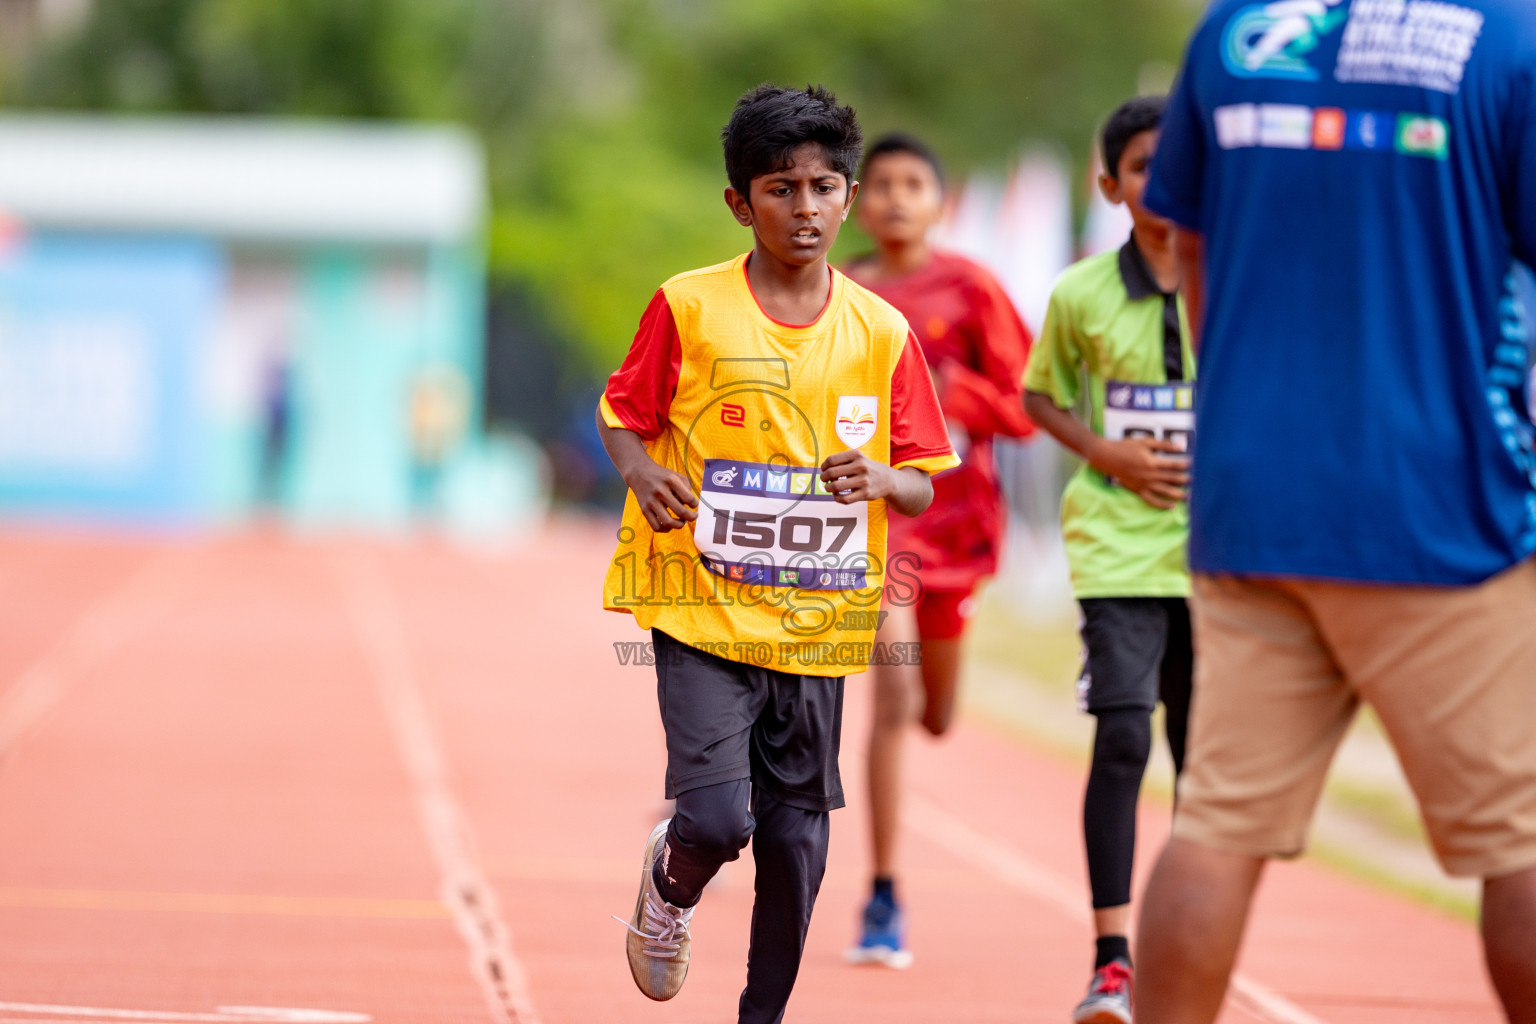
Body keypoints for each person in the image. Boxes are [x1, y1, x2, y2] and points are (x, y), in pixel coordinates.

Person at [1131, 3, 1536, 1021]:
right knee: (1522, 836)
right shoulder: (1510, 38)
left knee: (1215, 825)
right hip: (1447, 509)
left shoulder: (1233, 32)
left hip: (1253, 499)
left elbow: (1189, 251)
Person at [596, 84, 958, 1024]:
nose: (805, 210)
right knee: (719, 821)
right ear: (739, 202)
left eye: (824, 188)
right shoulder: (689, 307)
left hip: (818, 624)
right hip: (699, 607)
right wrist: (641, 475)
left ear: (848, 196)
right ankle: (670, 889)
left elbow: (923, 479)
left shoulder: (881, 333)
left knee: (797, 853)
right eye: (780, 189)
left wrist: (882, 478)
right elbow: (624, 420)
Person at [839, 133, 1036, 969]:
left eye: (910, 183)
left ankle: (927, 701)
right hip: (880, 529)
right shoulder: (838, 290)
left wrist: (957, 392)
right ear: (856, 200)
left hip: (956, 530)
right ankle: (883, 893)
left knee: (936, 715)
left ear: (939, 201)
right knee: (890, 692)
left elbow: (1031, 407)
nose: (892, 198)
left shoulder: (971, 288)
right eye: (877, 184)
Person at [1022, 95, 1194, 1024]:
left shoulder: (1239, 279)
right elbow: (1041, 399)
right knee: (1125, 735)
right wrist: (1110, 454)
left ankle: (1187, 948)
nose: (1162, 185)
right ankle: (1113, 960)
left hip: (1219, 556)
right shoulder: (1080, 293)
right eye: (1142, 169)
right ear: (1109, 184)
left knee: (1203, 762)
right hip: (1116, 548)